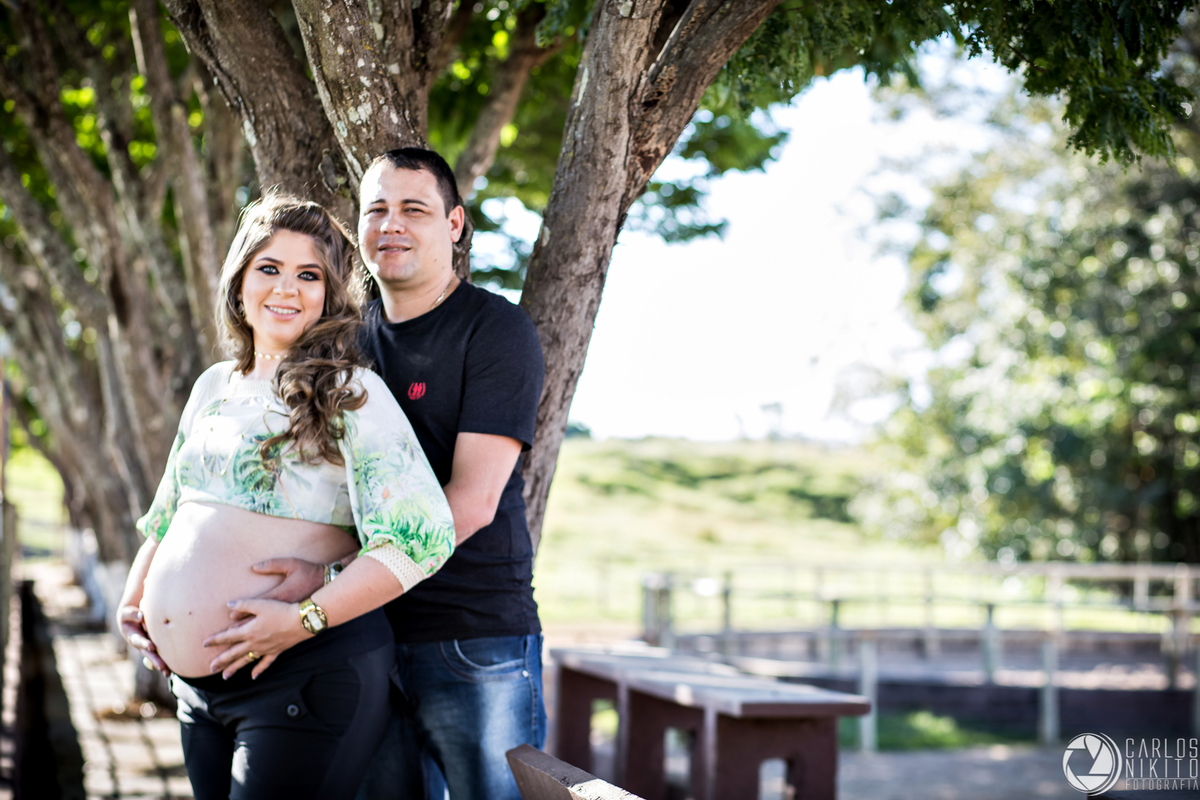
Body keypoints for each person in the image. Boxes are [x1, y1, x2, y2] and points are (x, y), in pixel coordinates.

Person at [115, 194, 456, 800]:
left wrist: (304, 618)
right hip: (197, 692)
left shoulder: (352, 392)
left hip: (302, 676)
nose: (287, 288)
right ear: (240, 279)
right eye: (269, 268)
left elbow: (421, 539)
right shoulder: (213, 386)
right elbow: (170, 514)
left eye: (309, 275)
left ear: (329, 293)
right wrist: (136, 601)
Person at [241, 148, 546, 800]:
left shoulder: (495, 330)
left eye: (415, 208)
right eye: (377, 209)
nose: (392, 224)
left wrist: (322, 585)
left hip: (470, 639)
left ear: (456, 224)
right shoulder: (342, 343)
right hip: (361, 640)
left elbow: (470, 502)